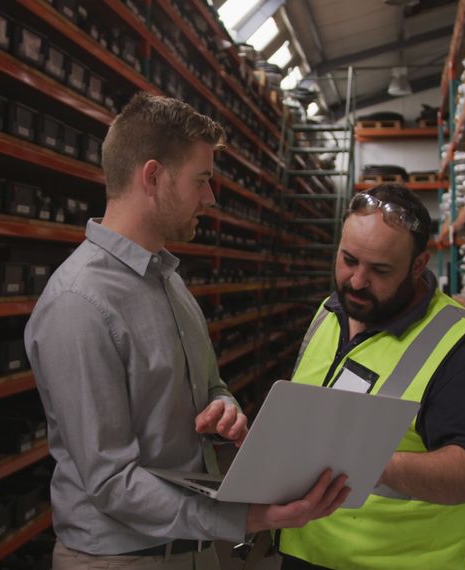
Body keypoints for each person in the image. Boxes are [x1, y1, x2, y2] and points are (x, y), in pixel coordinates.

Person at [24, 92, 350, 570]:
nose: (210, 198)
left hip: (191, 548)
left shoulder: (168, 281)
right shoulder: (80, 304)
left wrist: (224, 409)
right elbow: (111, 481)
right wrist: (242, 517)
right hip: (120, 559)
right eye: (202, 180)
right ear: (153, 177)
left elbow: (211, 386)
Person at [277, 184, 465, 569]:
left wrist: (368, 461)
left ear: (419, 266)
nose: (356, 281)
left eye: (380, 270)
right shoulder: (329, 311)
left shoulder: (463, 348)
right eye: (348, 260)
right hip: (305, 548)